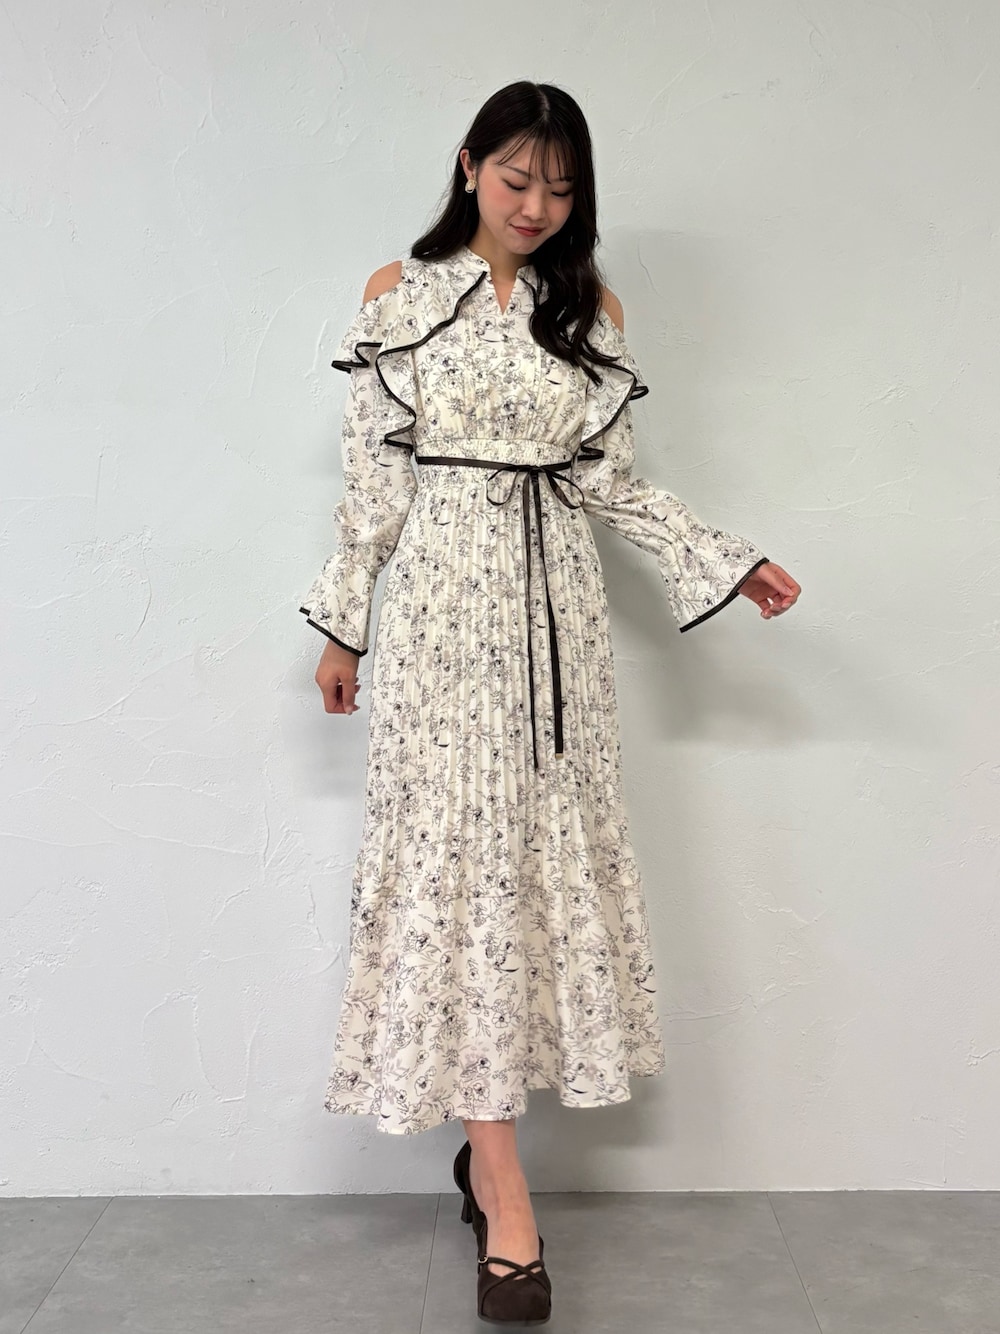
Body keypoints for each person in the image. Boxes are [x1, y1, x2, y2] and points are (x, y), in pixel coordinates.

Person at [299, 80, 801, 1326]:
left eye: (561, 189)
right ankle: (505, 1188)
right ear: (469, 165)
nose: (535, 206)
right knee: (455, 866)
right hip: (438, 616)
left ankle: (489, 1160)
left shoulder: (592, 312)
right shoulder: (399, 295)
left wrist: (720, 557)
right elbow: (373, 486)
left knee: (532, 866)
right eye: (517, 179)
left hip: (555, 624)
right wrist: (344, 622)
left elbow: (609, 483)